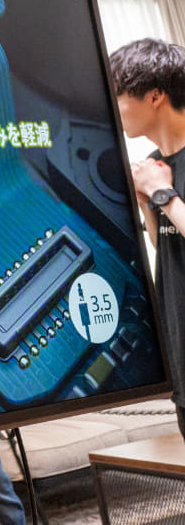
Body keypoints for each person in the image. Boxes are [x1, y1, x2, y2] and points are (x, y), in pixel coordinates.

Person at [109, 37, 185, 437]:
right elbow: (168, 247)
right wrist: (148, 206)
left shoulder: (161, 179)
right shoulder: (156, 165)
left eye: (119, 96)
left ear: (155, 95)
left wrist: (163, 194)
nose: (114, 107)